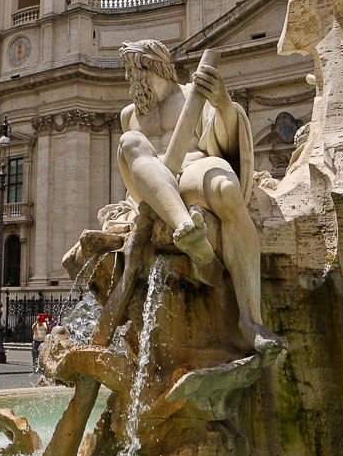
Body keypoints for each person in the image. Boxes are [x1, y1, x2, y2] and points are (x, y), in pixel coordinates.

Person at [117, 39, 283, 352]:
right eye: (130, 74)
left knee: (228, 190)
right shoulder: (130, 115)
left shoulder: (191, 96)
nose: (134, 80)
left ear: (161, 68)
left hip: (191, 172)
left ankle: (251, 321)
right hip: (152, 187)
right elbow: (134, 169)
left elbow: (220, 140)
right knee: (130, 143)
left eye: (140, 71)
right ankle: (188, 230)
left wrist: (221, 104)